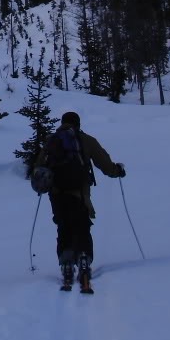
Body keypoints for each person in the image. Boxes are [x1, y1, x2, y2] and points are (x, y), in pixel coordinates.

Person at [37, 110, 125, 293]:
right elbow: (104, 163)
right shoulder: (86, 140)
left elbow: (39, 166)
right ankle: (83, 258)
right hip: (79, 193)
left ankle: (66, 262)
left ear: (62, 123)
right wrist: (117, 171)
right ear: (78, 124)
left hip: (57, 194)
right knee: (82, 225)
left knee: (63, 225)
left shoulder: (52, 141)